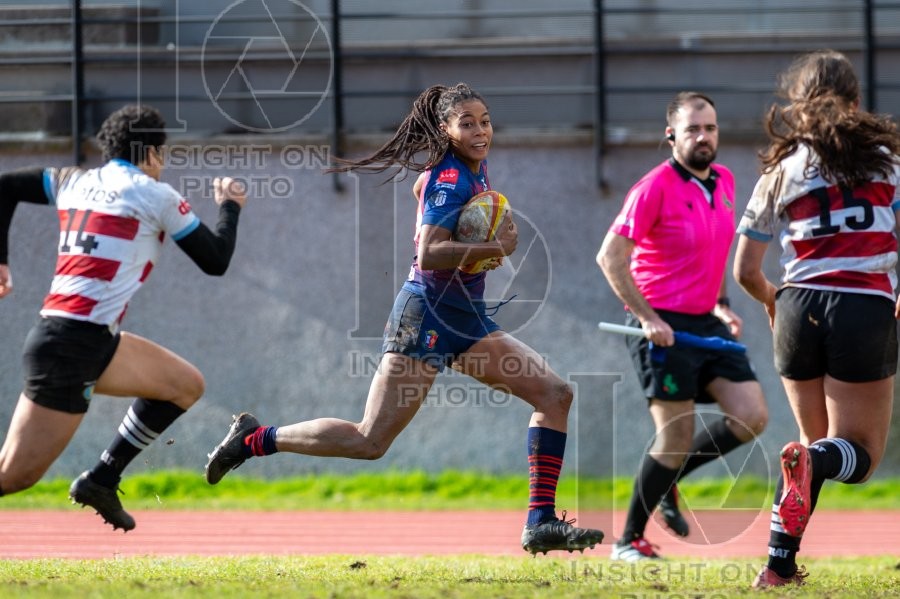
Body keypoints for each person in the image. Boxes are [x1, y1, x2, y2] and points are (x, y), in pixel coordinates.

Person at [204, 82, 604, 555]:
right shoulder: (451, 177)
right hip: (427, 316)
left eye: (485, 120)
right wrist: (493, 246)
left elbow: (424, 191)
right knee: (369, 440)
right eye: (467, 123)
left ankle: (539, 522)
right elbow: (431, 252)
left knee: (554, 394)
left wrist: (477, 242)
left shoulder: (468, 168)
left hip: (467, 318)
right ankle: (255, 439)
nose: (480, 131)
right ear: (446, 129)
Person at [0, 104, 247, 531]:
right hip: (70, 347)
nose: (163, 166)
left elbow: (3, 186)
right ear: (150, 153)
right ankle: (99, 479)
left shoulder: (73, 179)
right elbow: (216, 261)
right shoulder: (156, 196)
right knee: (14, 475)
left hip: (85, 338)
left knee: (184, 385)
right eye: (163, 157)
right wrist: (230, 205)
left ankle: (101, 479)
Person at [733, 50, 900, 589]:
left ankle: (779, 568)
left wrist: (771, 301)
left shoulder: (782, 169)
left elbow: (745, 269)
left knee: (813, 446)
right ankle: (784, 551)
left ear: (799, 107)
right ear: (855, 102)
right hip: (862, 305)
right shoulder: (889, 162)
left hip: (798, 306)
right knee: (860, 454)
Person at [596, 91, 768, 561]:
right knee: (674, 434)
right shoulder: (653, 187)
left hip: (706, 321)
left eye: (710, 127)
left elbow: (708, 253)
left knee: (751, 414)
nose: (703, 136)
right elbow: (610, 257)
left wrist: (724, 303)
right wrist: (649, 318)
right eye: (693, 129)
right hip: (661, 324)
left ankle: (669, 480)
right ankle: (628, 539)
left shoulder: (728, 180)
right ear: (671, 134)